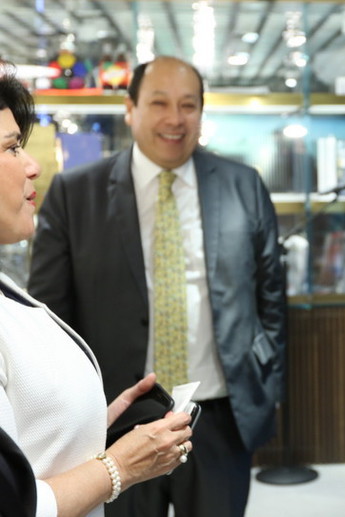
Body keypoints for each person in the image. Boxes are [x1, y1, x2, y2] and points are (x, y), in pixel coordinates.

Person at [28, 56, 286, 517]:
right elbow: (50, 317)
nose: (175, 119)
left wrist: (267, 385)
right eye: (159, 103)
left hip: (218, 416)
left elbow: (271, 297)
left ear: (201, 112)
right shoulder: (75, 193)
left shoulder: (243, 185)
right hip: (117, 422)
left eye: (188, 105)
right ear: (130, 109)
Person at [0, 68, 193, 517]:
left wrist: (87, 424)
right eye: (11, 148)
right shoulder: (78, 192)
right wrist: (118, 467)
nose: (33, 165)